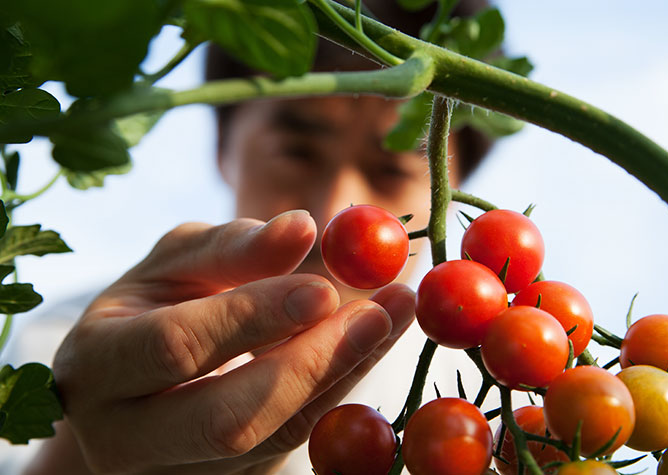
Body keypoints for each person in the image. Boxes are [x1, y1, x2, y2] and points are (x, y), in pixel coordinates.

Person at [22, 1, 496, 473]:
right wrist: (73, 458)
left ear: (448, 195)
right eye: (297, 152)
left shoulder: (481, 420)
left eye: (390, 171)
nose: (336, 212)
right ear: (223, 148)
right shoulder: (56, 356)